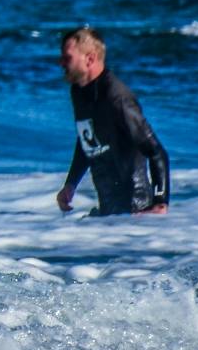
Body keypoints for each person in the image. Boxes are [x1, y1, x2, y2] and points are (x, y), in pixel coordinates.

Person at [55, 26, 170, 216]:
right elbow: (88, 140)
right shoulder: (79, 92)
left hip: (134, 211)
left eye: (67, 58)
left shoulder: (117, 98)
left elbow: (156, 152)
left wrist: (160, 202)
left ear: (90, 58)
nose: (60, 63)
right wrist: (71, 184)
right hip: (109, 212)